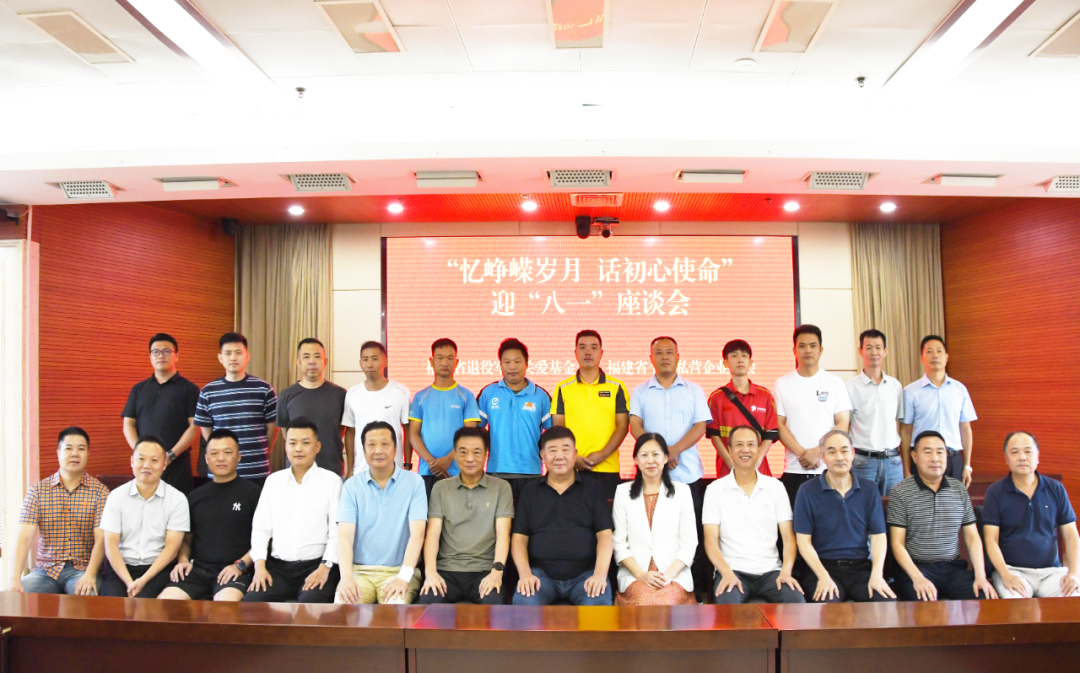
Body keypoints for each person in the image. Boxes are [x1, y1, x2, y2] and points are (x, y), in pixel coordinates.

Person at [628, 336, 711, 600]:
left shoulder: (693, 390)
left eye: (669, 352)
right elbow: (635, 426)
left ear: (678, 356)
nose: (664, 356)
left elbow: (700, 426)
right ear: (651, 358)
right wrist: (659, 454)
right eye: (659, 352)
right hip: (650, 477)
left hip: (688, 474)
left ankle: (692, 591)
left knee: (690, 535)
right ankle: (651, 585)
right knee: (651, 533)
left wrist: (673, 451)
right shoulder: (640, 391)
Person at [887, 430, 996, 601]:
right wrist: (917, 578)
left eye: (940, 452)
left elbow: (972, 537)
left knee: (984, 598)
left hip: (952, 568)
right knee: (924, 605)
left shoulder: (959, 489)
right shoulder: (901, 492)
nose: (935, 458)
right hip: (917, 568)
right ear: (914, 457)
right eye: (928, 452)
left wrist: (980, 576)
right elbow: (897, 543)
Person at [512, 426, 614, 606]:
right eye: (552, 450)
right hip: (541, 576)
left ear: (575, 454)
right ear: (542, 455)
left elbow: (605, 536)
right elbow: (519, 539)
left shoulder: (593, 489)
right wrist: (525, 574)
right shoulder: (529, 492)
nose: (559, 456)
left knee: (597, 603)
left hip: (585, 575)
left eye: (565, 450)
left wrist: (599, 575)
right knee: (525, 601)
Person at [703, 425, 804, 605]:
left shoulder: (775, 487)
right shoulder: (715, 490)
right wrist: (726, 572)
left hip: (771, 571)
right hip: (733, 571)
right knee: (729, 612)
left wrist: (786, 572)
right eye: (739, 444)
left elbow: (788, 537)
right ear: (729, 450)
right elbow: (710, 540)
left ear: (758, 450)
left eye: (751, 444)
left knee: (797, 604)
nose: (745, 449)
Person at [244, 418, 341, 603]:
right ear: (286, 446)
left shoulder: (331, 481)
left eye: (305, 443)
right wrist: (259, 568)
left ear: (317, 447)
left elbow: (337, 532)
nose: (298, 449)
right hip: (278, 569)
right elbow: (261, 530)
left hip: (316, 566)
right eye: (292, 443)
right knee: (251, 604)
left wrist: (325, 567)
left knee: (310, 606)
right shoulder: (273, 482)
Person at [158, 429, 261, 601]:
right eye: (214, 453)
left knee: (225, 608)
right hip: (197, 571)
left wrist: (240, 566)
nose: (221, 458)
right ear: (206, 459)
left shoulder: (253, 494)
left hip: (235, 571)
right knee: (165, 604)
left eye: (227, 452)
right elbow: (186, 540)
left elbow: (263, 540)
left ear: (238, 457)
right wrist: (183, 560)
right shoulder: (194, 497)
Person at [793, 430, 895, 603]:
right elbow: (803, 541)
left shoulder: (869, 489)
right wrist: (822, 576)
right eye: (832, 452)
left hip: (860, 569)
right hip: (823, 568)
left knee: (886, 604)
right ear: (822, 456)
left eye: (844, 451)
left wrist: (877, 575)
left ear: (853, 454)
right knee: (828, 608)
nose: (839, 457)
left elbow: (878, 536)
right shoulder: (807, 490)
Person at [8, 427, 109, 595]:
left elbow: (102, 539)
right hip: (44, 571)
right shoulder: (37, 491)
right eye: (68, 448)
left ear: (88, 454)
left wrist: (90, 574)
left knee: (88, 601)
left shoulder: (100, 492)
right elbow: (24, 537)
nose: (75, 454)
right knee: (16, 598)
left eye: (81, 449)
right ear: (58, 453)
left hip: (82, 570)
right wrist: (14, 579)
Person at [419, 427, 514, 605]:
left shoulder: (501, 488)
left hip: (484, 570)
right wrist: (430, 572)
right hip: (447, 570)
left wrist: (497, 571)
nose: (470, 458)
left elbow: (503, 533)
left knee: (495, 608)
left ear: (486, 455)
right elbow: (433, 533)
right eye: (463, 452)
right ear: (455, 455)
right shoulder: (441, 488)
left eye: (476, 452)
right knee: (426, 606)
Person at [337, 421, 427, 605]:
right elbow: (345, 536)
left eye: (385, 444)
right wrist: (346, 578)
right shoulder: (351, 486)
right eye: (371, 445)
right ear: (363, 450)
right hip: (359, 572)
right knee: (343, 609)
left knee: (395, 611)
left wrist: (403, 577)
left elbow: (418, 534)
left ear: (395, 449)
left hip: (398, 572)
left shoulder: (415, 483)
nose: (378, 450)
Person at [983, 431, 1080, 598]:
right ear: (1006, 458)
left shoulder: (1055, 489)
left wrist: (1074, 573)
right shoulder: (995, 492)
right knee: (1017, 607)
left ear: (1037, 456)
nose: (1022, 457)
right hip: (1013, 571)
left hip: (1051, 572)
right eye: (1015, 452)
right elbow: (991, 539)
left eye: (1028, 451)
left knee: (1074, 601)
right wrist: (1005, 574)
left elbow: (1071, 535)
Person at [612, 433, 697, 606]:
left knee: (668, 601)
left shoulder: (682, 492)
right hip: (636, 575)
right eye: (644, 455)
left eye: (656, 454)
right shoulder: (622, 492)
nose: (650, 460)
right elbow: (619, 543)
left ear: (665, 458)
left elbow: (689, 543)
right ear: (636, 459)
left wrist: (668, 575)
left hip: (673, 575)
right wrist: (641, 575)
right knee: (643, 601)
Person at [99, 436, 190, 598]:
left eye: (154, 460)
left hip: (157, 570)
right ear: (132, 461)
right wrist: (129, 582)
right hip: (121, 569)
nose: (146, 465)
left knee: (146, 606)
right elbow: (111, 545)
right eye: (141, 459)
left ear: (164, 464)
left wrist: (142, 580)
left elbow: (172, 548)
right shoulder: (116, 496)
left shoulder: (177, 499)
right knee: (112, 604)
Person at [774, 325, 852, 505]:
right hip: (794, 468)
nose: (807, 350)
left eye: (812, 345)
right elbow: (779, 425)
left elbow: (843, 423)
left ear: (821, 350)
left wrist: (818, 452)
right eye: (802, 346)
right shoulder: (782, 384)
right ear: (794, 350)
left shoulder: (835, 383)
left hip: (829, 468)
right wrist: (803, 454)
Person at [552, 330, 630, 503]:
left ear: (601, 353)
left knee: (606, 518)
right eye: (583, 347)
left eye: (594, 348)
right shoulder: (563, 387)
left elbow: (623, 426)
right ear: (575, 353)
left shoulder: (616, 386)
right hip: (572, 469)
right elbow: (558, 429)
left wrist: (602, 454)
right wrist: (572, 458)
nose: (588, 352)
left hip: (607, 469)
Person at [194, 332, 278, 485]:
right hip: (221, 471)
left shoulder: (263, 389)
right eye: (228, 353)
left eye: (238, 353)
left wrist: (261, 452)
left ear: (247, 356)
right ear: (220, 358)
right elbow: (206, 431)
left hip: (256, 470)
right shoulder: (208, 392)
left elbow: (273, 429)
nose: (233, 358)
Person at [122, 333, 201, 494]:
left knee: (178, 506)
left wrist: (170, 455)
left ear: (176, 356)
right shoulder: (139, 389)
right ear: (150, 357)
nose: (160, 355)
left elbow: (195, 427)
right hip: (146, 466)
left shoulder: (189, 389)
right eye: (155, 352)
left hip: (177, 465)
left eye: (166, 351)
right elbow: (128, 424)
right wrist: (141, 453)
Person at [477, 338, 552, 501]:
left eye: (517, 361)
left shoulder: (541, 396)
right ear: (500, 364)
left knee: (528, 517)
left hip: (531, 472)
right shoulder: (488, 393)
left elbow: (553, 433)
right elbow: (476, 430)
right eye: (507, 362)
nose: (512, 366)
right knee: (499, 517)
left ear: (526, 364)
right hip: (496, 471)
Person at [901, 335, 977, 487]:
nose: (935, 355)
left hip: (952, 458)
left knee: (952, 501)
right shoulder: (910, 392)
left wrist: (967, 466)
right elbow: (905, 431)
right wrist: (906, 469)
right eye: (929, 351)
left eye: (939, 351)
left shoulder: (959, 389)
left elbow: (965, 429)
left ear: (946, 357)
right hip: (923, 459)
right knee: (922, 501)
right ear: (922, 358)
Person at [410, 338, 481, 498]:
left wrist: (448, 460)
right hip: (428, 471)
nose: (444, 363)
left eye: (449, 358)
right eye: (440, 357)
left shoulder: (466, 396)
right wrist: (431, 462)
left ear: (456, 362)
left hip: (459, 471)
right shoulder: (420, 397)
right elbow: (413, 434)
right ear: (431, 361)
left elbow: (469, 434)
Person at [706, 339, 778, 478]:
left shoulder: (765, 396)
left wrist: (757, 461)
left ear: (750, 362)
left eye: (744, 356)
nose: (740, 360)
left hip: (759, 470)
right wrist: (730, 463)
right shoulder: (716, 397)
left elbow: (770, 434)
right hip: (727, 470)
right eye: (734, 355)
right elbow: (714, 435)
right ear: (725, 363)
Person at [277, 338, 348, 476]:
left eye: (317, 356)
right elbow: (286, 433)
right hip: (297, 472)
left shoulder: (340, 394)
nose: (312, 361)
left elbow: (341, 429)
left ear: (325, 361)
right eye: (306, 357)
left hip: (331, 469)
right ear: (298, 362)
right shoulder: (286, 395)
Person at [846, 329, 904, 496]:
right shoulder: (850, 387)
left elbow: (902, 425)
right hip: (863, 462)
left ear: (885, 351)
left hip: (893, 461)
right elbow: (845, 426)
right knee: (863, 507)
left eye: (878, 347)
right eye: (869, 347)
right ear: (861, 351)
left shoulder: (895, 385)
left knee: (895, 508)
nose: (874, 352)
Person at [342, 341, 412, 475]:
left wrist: (407, 465)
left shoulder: (401, 392)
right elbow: (350, 432)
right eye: (365, 359)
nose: (369, 364)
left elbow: (408, 430)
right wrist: (350, 469)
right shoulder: (352, 394)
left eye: (374, 359)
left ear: (385, 362)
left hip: (394, 471)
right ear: (360, 363)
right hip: (361, 471)